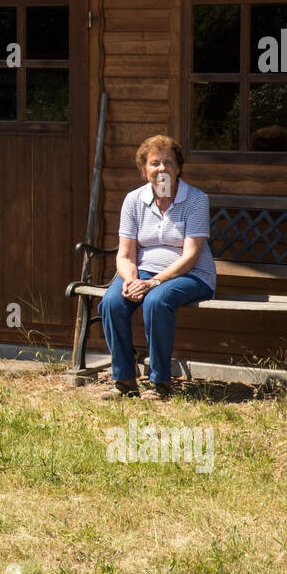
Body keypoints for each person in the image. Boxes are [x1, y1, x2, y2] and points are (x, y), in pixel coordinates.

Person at [98, 135, 216, 400]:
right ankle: (125, 381)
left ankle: (160, 383)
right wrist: (130, 280)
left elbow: (191, 256)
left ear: (178, 169)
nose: (162, 169)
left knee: (156, 302)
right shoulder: (133, 200)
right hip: (141, 273)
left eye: (168, 163)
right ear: (144, 170)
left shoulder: (196, 200)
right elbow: (125, 254)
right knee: (111, 302)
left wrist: (153, 283)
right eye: (154, 163)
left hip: (191, 275)